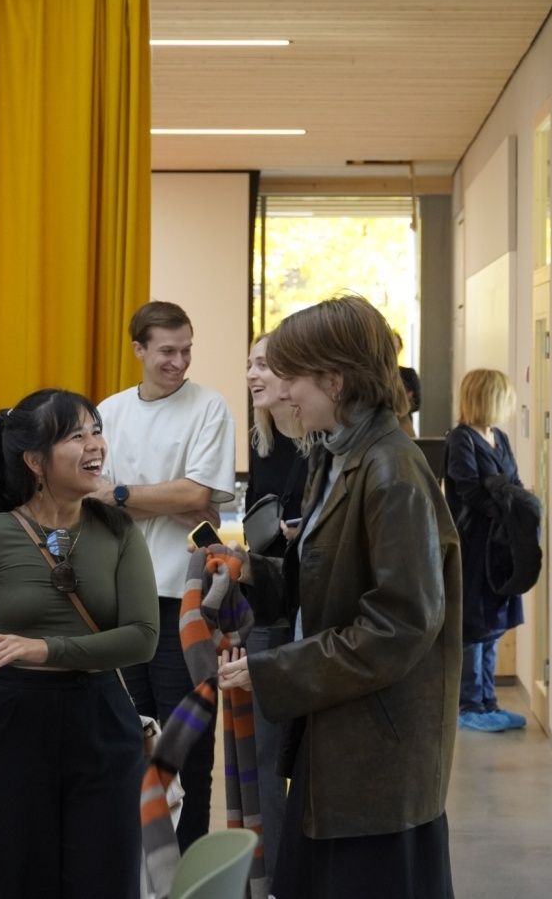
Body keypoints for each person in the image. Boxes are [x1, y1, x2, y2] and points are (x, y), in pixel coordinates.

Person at [219, 295, 461, 899]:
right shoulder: (336, 457)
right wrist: (253, 574)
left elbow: (399, 626)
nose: (281, 391)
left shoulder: (392, 472)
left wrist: (274, 670)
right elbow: (326, 586)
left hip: (376, 749)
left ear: (335, 380)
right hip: (336, 733)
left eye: (291, 376)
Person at [0, 389, 159, 899]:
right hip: (12, 729)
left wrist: (46, 649)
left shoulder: (118, 531)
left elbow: (143, 638)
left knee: (107, 886)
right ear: (34, 460)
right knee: (17, 884)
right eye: (76, 435)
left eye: (97, 431)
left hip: (102, 723)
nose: (95, 445)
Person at [92, 300, 235, 850]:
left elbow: (198, 496)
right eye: (167, 351)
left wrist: (122, 493)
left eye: (186, 350)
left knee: (185, 743)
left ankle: (187, 867)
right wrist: (172, 496)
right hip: (125, 598)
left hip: (186, 601)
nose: (179, 362)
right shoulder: (110, 412)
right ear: (139, 350)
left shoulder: (209, 407)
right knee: (132, 735)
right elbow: (90, 496)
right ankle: (139, 862)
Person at [245, 332, 308, 879]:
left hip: (313, 613)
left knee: (309, 753)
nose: (253, 375)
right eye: (250, 364)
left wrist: (304, 530)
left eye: (263, 364)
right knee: (263, 754)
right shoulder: (261, 441)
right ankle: (273, 877)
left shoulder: (326, 444)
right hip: (267, 608)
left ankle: (304, 871)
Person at [443, 369, 527, 733]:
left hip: (500, 545)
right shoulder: (461, 440)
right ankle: (470, 705)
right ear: (488, 398)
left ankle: (489, 701)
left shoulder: (499, 438)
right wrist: (508, 508)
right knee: (474, 626)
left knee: (494, 624)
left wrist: (517, 505)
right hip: (473, 545)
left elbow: (514, 482)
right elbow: (470, 492)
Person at [393, 329, 421, 437]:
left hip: (404, 428)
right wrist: (403, 399)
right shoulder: (376, 375)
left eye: (395, 347)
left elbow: (417, 402)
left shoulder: (408, 374)